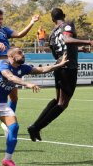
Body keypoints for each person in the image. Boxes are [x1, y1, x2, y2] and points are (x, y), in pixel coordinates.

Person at [27, 8, 93, 142]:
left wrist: (79, 48)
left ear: (52, 20)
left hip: (59, 65)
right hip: (68, 67)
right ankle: (36, 127)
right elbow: (68, 40)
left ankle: (35, 126)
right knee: (63, 104)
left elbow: (57, 50)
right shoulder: (67, 25)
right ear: (64, 15)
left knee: (58, 101)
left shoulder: (52, 33)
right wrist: (89, 42)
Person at [0, 8, 39, 136]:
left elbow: (19, 34)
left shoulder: (5, 29)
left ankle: (5, 122)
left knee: (14, 96)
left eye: (2, 19)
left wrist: (31, 22)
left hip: (9, 62)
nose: (0, 21)